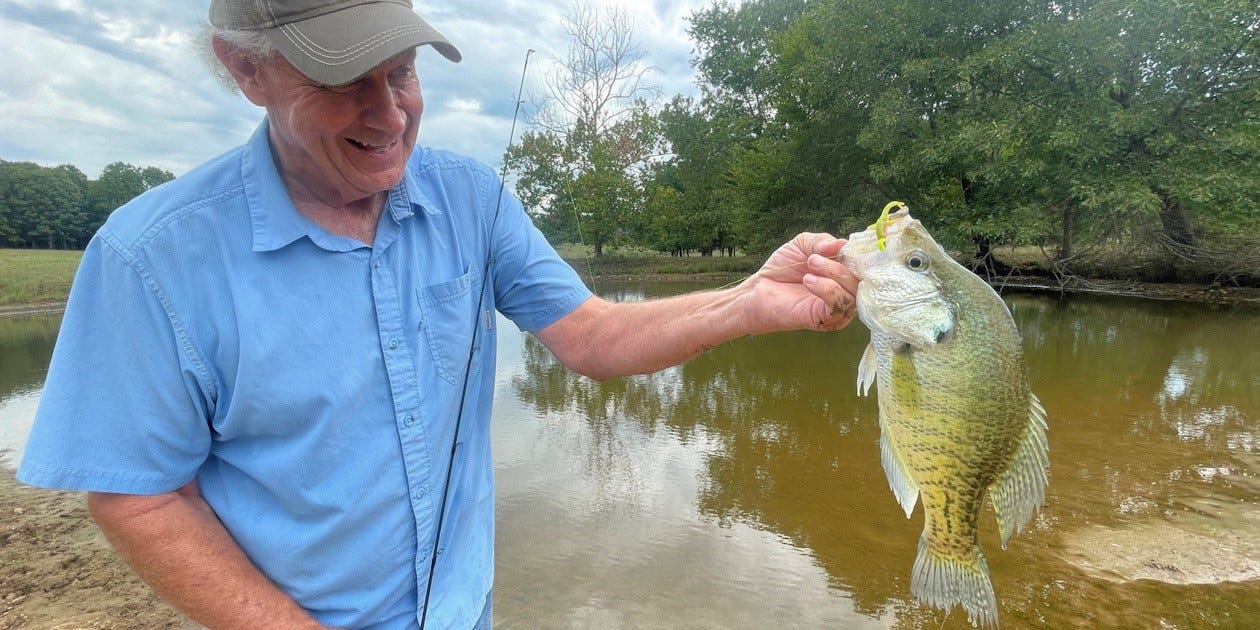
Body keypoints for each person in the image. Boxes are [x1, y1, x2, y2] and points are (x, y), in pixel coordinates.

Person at [16, 1, 860, 628]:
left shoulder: (470, 198)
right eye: (343, 79)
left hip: (465, 609)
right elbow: (137, 495)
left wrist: (749, 302)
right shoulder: (150, 257)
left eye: (402, 72)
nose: (388, 113)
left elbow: (594, 337)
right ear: (246, 70)